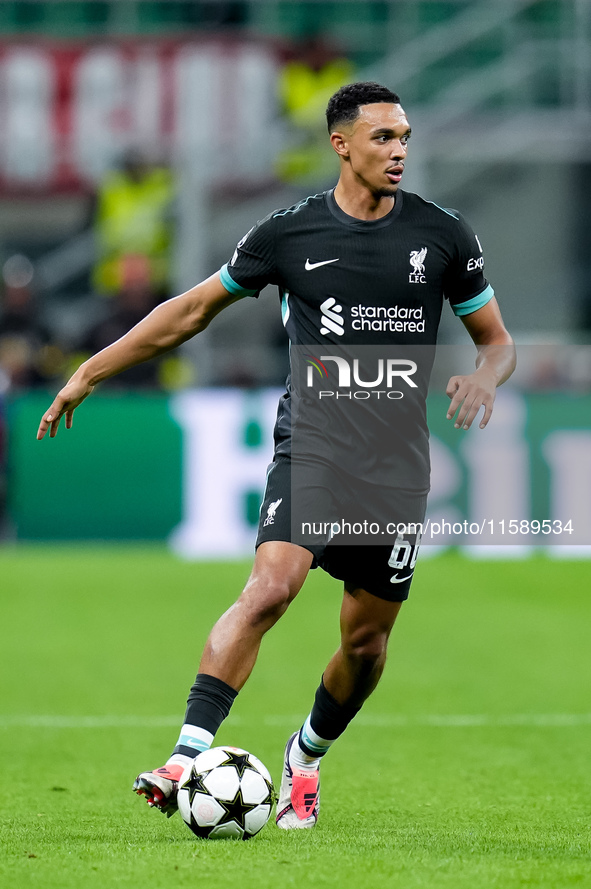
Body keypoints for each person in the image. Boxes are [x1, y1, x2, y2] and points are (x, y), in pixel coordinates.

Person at [37, 82, 516, 830]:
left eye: (405, 137)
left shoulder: (442, 235)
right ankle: (184, 756)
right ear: (341, 144)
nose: (399, 151)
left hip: (393, 470)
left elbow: (495, 339)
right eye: (384, 138)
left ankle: (305, 755)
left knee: (364, 644)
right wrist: (89, 370)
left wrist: (484, 375)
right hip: (314, 448)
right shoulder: (286, 235)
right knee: (269, 589)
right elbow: (191, 311)